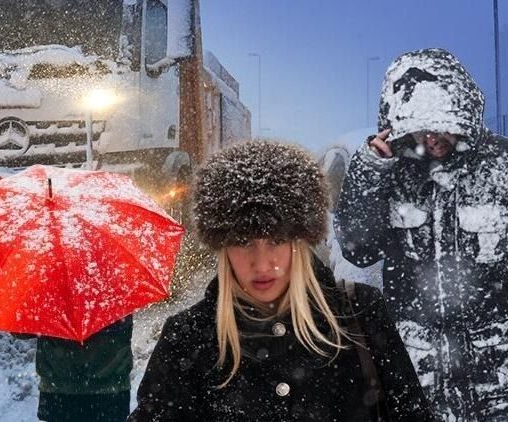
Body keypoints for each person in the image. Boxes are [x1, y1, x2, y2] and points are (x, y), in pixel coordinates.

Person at [129, 141, 432, 421]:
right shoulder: (188, 337)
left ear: (299, 241)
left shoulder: (359, 315)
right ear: (223, 247)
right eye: (244, 240)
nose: (262, 263)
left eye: (276, 239)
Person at [335, 48, 508, 421]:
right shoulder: (390, 171)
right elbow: (358, 249)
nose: (432, 139)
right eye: (421, 128)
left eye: (441, 126)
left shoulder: (501, 165)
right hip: (416, 369)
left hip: (496, 371)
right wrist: (369, 172)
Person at [18, 316, 133, 422]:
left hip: (60, 390)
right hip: (111, 390)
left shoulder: (51, 298)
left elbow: (20, 329)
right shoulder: (117, 297)